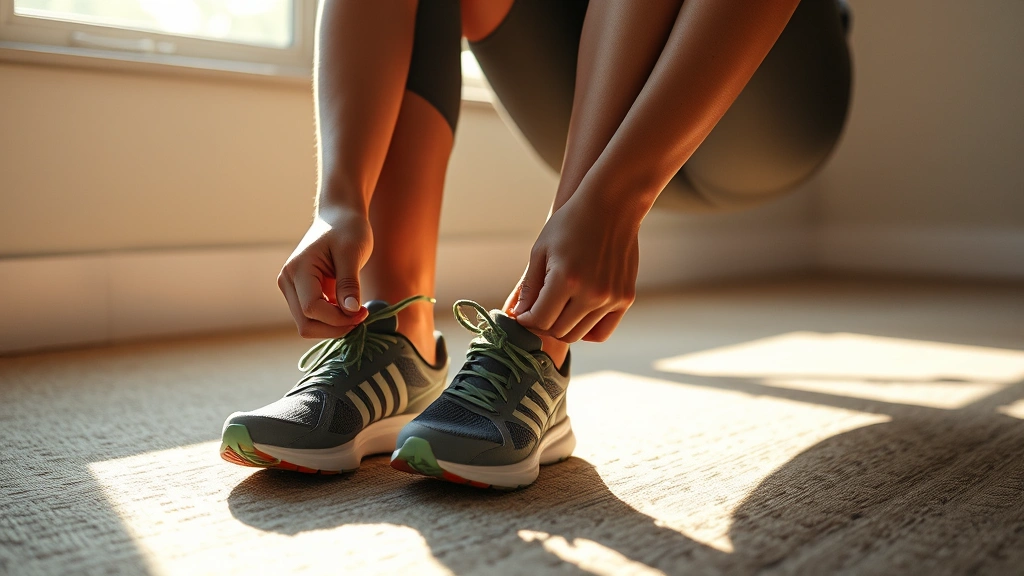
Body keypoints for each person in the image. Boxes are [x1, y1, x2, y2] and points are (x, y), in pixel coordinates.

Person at [220, 0, 851, 488]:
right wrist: (337, 200)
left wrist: (613, 199)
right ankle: (396, 337)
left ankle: (539, 343)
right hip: (587, 64)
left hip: (766, 93)